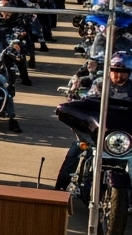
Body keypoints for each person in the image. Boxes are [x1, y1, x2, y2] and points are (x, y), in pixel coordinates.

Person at [55, 53, 132, 189]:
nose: (118, 75)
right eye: (115, 70)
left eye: (123, 72)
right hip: (100, 130)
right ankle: (60, 189)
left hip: (124, 134)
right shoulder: (100, 84)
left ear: (129, 72)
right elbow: (87, 103)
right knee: (78, 147)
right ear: (109, 70)